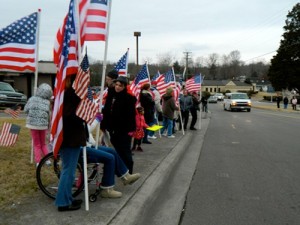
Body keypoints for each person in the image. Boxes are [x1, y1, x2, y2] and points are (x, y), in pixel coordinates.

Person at [54, 74, 87, 211]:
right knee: (68, 171)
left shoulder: (64, 94)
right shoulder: (71, 95)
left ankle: (67, 198)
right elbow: (70, 117)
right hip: (70, 139)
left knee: (68, 170)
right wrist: (83, 115)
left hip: (67, 138)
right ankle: (62, 202)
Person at [101, 76, 137, 173]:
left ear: (125, 86)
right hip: (112, 128)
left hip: (124, 129)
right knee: (116, 150)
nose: (117, 87)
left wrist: (129, 129)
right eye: (116, 85)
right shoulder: (111, 94)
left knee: (125, 151)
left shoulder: (129, 98)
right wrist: (104, 124)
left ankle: (128, 171)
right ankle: (119, 169)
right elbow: (107, 111)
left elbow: (130, 115)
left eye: (120, 86)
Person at [24, 83, 53, 166]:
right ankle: (47, 160)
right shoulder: (47, 102)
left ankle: (38, 162)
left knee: (37, 144)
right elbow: (48, 115)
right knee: (43, 143)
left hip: (33, 125)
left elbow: (26, 110)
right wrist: (48, 125)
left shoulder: (32, 99)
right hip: (43, 125)